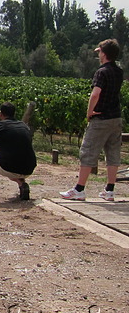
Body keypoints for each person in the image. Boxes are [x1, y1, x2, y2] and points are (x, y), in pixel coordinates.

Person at [61, 39, 124, 201]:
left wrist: (89, 112)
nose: (99, 55)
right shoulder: (119, 71)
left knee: (88, 152)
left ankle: (79, 189)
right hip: (116, 117)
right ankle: (109, 190)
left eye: (100, 52)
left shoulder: (101, 72)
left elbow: (95, 94)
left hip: (101, 117)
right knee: (113, 153)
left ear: (104, 53)